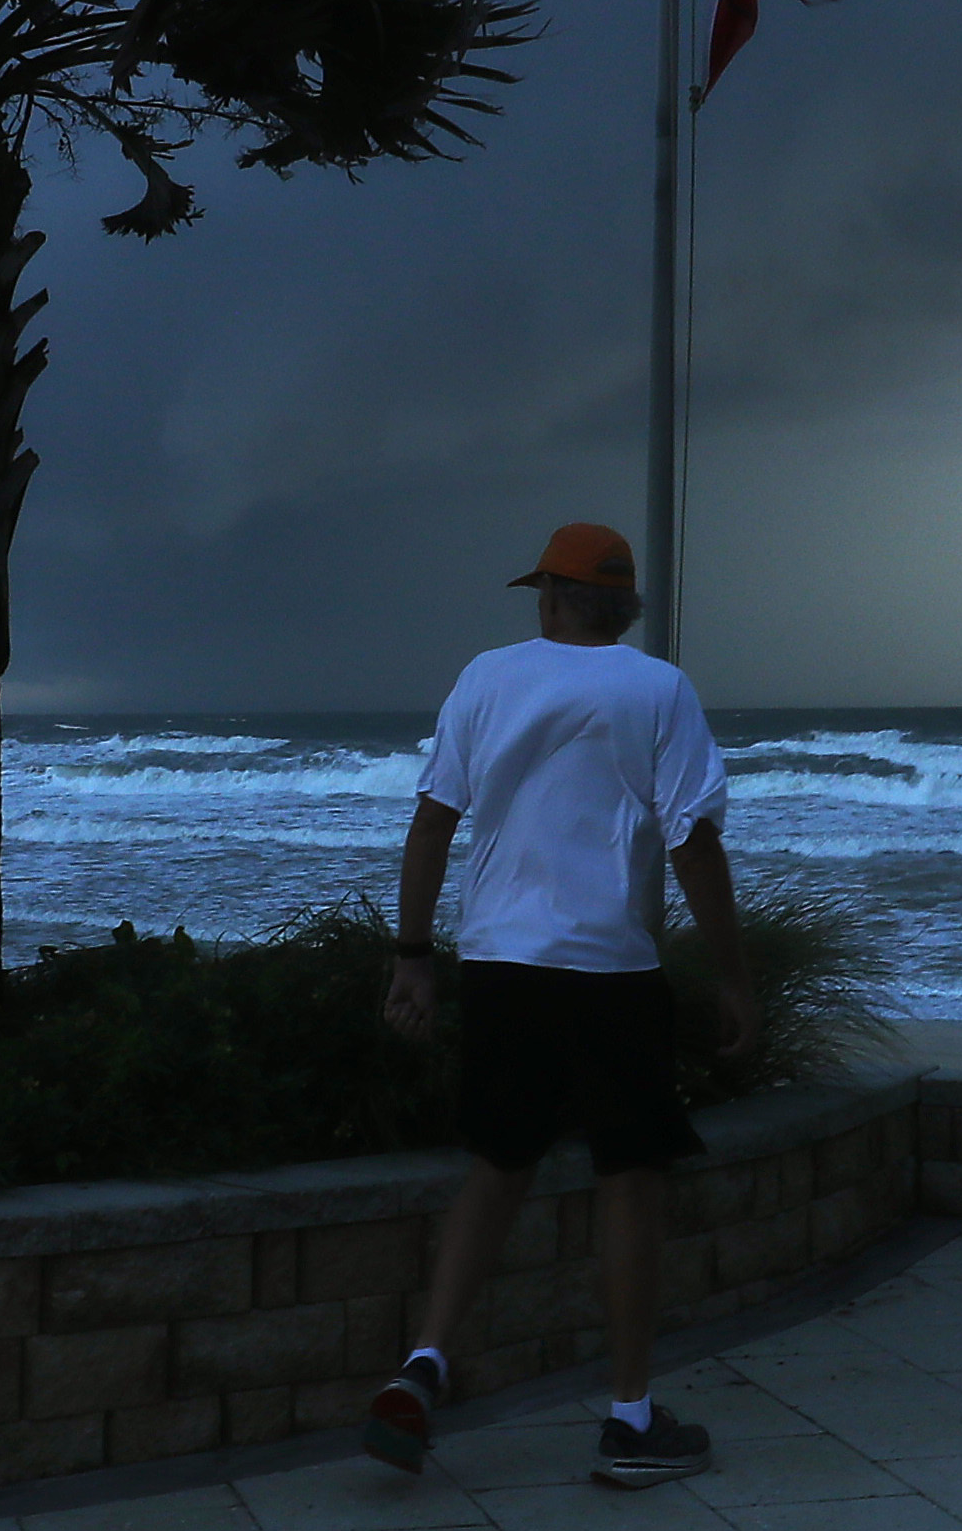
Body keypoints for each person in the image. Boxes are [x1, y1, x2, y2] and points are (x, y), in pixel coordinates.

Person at [364, 522, 758, 1490]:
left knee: (498, 1163)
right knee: (629, 1177)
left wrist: (413, 957)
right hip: (610, 972)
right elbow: (693, 844)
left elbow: (431, 822)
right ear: (623, 607)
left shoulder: (486, 676)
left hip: (499, 963)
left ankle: (424, 1362)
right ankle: (629, 1418)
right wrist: (734, 973)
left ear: (547, 595)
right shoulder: (657, 688)